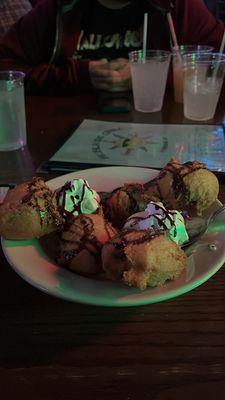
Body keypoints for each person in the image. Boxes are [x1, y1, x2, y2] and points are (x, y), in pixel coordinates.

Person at [0, 0, 224, 94]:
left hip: (169, 143)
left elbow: (219, 59)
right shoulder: (57, 8)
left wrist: (153, 76)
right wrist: (78, 75)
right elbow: (6, 71)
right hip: (63, 145)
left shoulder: (176, 5)